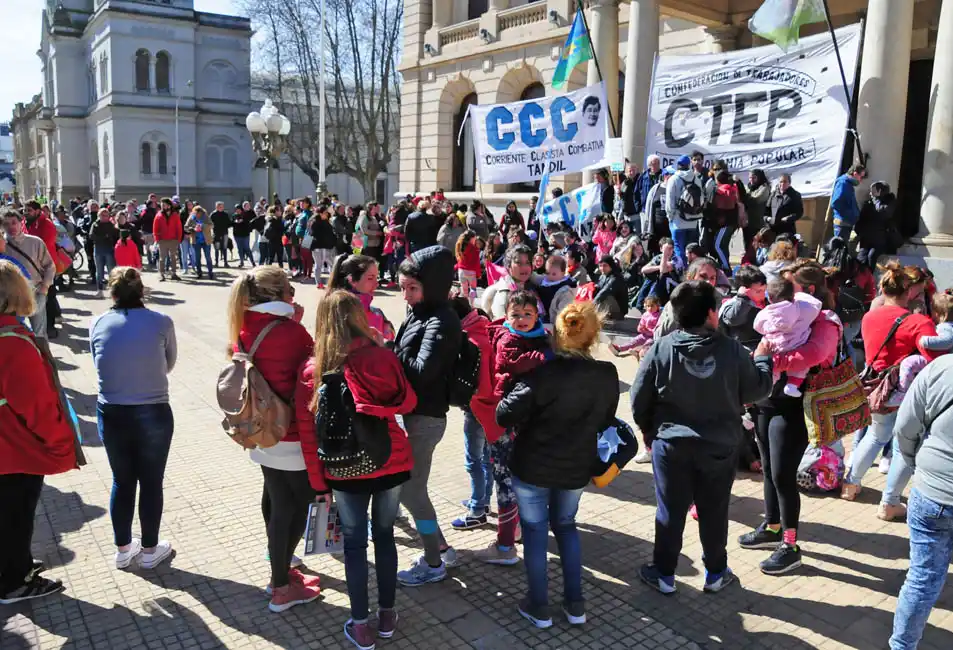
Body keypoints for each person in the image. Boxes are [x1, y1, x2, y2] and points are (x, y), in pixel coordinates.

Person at [632, 280, 773, 594]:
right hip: (719, 446)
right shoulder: (732, 350)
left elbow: (638, 398)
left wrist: (649, 433)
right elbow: (759, 389)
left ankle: (665, 574)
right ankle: (715, 572)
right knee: (714, 510)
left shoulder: (662, 347)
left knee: (670, 510)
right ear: (711, 313)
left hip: (671, 444)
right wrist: (763, 358)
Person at [295, 291, 417, 648]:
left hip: (344, 468)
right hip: (391, 460)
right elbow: (408, 400)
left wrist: (318, 484)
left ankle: (360, 622)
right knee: (384, 537)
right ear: (359, 317)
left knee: (353, 544)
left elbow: (307, 433)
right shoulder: (381, 357)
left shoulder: (313, 370)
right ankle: (388, 614)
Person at [496, 302, 618, 628]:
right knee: (566, 526)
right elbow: (606, 419)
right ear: (593, 335)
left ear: (557, 332)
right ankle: (575, 605)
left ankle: (539, 606)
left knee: (536, 532)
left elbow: (504, 413)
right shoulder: (607, 375)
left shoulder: (541, 374)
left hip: (532, 465)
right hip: (576, 466)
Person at [737, 261, 841, 575]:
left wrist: (770, 358)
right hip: (766, 402)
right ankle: (771, 526)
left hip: (793, 406)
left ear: (807, 290)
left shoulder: (825, 320)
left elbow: (815, 354)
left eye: (789, 287)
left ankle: (791, 545)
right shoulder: (786, 312)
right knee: (769, 469)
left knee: (783, 475)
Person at [226, 266, 317, 612]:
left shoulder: (246, 324)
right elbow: (311, 370)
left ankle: (280, 573)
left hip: (262, 431)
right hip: (290, 434)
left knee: (276, 499)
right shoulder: (290, 332)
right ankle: (281, 586)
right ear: (281, 294)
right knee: (293, 507)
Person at [0, 260, 78, 604]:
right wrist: (61, 444)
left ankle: (12, 566)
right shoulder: (14, 343)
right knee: (16, 516)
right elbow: (38, 409)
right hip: (15, 449)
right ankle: (15, 581)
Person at [89, 267, 177, 570]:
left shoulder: (98, 323)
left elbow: (98, 362)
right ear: (142, 291)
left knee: (121, 481)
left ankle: (123, 549)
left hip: (112, 411)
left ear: (112, 293)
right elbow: (169, 363)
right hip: (152, 409)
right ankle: (151, 549)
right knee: (151, 482)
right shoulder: (161, 322)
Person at [841, 262, 941, 520]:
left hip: (877, 388)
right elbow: (934, 361)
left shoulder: (870, 315)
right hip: (908, 392)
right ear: (910, 291)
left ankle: (851, 484)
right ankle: (890, 501)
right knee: (903, 447)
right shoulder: (919, 322)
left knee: (874, 436)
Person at [393, 246, 463, 585]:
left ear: (431, 286)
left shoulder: (442, 320)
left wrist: (386, 353)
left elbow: (422, 371)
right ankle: (442, 548)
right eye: (402, 287)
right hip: (412, 414)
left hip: (426, 418)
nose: (405, 295)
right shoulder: (419, 311)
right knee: (412, 490)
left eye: (412, 288)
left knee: (410, 492)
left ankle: (434, 563)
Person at [890, 353, 953, 649]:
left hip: (932, 493)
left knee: (922, 579)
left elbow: (904, 429)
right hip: (934, 490)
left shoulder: (941, 368)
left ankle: (902, 647)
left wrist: (918, 467)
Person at [753, 278, 823, 398]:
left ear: (769, 298)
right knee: (800, 366)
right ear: (793, 295)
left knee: (772, 367)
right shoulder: (804, 309)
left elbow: (758, 327)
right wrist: (801, 296)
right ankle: (792, 384)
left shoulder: (765, 313)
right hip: (796, 344)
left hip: (774, 346)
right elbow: (816, 305)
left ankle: (768, 387)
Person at [2, 210, 55, 339]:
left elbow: (50, 266)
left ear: (21, 223)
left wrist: (45, 287)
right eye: (6, 224)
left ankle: (43, 357)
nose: (11, 227)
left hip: (36, 291)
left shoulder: (35, 242)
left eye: (14, 223)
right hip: (11, 297)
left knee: (39, 331)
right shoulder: (2, 245)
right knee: (15, 331)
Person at [327, 254, 394, 342]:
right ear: (351, 280)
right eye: (370, 278)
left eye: (376, 278)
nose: (376, 284)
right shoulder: (339, 315)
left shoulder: (378, 314)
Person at [654, 257, 722, 340]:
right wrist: (679, 308)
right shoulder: (675, 303)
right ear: (690, 278)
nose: (709, 282)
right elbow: (659, 336)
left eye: (712, 278)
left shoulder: (718, 302)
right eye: (703, 276)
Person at [666, 155, 705, 266]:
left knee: (679, 248)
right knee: (692, 249)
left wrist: (670, 217)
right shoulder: (696, 179)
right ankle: (693, 270)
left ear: (678, 165)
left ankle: (682, 271)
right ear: (689, 165)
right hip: (693, 220)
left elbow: (670, 201)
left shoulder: (673, 179)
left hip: (678, 221)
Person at [718, 265, 767, 352]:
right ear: (744, 290)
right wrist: (743, 299)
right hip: (742, 347)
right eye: (758, 291)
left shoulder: (766, 303)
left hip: (763, 343)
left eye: (764, 290)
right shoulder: (734, 304)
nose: (763, 294)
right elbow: (733, 320)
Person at [483, 244, 535, 321]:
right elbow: (504, 326)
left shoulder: (534, 284)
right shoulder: (503, 294)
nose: (524, 267)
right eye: (518, 263)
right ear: (508, 266)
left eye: (527, 263)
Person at [856, 181, 899, 269]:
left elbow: (883, 213)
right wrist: (859, 230)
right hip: (866, 237)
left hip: (879, 238)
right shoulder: (869, 203)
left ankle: (869, 279)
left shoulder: (889, 202)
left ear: (880, 191)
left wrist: (875, 200)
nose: (871, 193)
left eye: (874, 191)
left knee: (872, 257)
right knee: (861, 259)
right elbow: (862, 218)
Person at [532, 255, 575, 326]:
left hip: (554, 321)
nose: (550, 276)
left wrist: (558, 324)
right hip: (542, 316)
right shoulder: (546, 280)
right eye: (548, 273)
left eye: (554, 274)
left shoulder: (566, 290)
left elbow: (564, 311)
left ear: (563, 272)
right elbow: (535, 278)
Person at [831, 164, 866, 240]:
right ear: (855, 174)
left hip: (846, 222)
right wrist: (850, 215)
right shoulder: (843, 183)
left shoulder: (848, 184)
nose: (861, 180)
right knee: (839, 249)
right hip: (842, 222)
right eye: (861, 177)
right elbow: (836, 202)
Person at [89, 208, 119, 296]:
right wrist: (103, 237)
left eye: (106, 215)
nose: (104, 217)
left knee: (111, 270)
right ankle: (100, 290)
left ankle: (112, 289)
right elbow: (91, 236)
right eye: (102, 215)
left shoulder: (111, 225)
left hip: (109, 249)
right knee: (99, 271)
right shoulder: (95, 225)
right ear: (99, 215)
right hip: (98, 250)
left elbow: (116, 234)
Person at [154, 199, 182, 282]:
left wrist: (178, 239)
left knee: (173, 257)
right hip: (162, 240)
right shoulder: (158, 215)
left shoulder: (175, 215)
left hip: (173, 240)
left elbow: (179, 228)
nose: (162, 206)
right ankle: (162, 274)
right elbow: (155, 228)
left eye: (164, 205)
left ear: (169, 205)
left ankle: (174, 273)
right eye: (162, 205)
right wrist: (157, 239)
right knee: (162, 258)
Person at [744, 170, 771, 255]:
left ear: (759, 177)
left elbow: (756, 200)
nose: (751, 180)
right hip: (748, 222)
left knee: (757, 246)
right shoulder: (749, 187)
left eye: (754, 178)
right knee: (747, 245)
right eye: (750, 178)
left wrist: (745, 196)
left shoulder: (764, 187)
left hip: (758, 223)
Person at [593, 255, 628, 320]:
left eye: (605, 265)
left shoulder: (616, 277)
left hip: (618, 312)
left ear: (611, 266)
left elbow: (605, 291)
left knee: (606, 295)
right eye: (600, 266)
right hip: (609, 307)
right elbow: (597, 288)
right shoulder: (603, 276)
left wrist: (591, 305)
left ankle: (597, 315)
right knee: (592, 290)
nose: (602, 268)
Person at [310, 209, 338, 288]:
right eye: (325, 213)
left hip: (327, 247)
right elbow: (312, 233)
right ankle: (318, 283)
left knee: (332, 264)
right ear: (320, 213)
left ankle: (331, 282)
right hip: (318, 247)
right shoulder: (315, 222)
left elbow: (331, 233)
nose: (327, 214)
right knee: (318, 264)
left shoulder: (327, 222)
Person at [185, 206, 214, 279]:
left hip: (206, 240)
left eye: (198, 213)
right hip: (196, 241)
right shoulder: (191, 217)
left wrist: (203, 226)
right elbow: (186, 227)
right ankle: (199, 273)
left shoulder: (205, 217)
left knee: (208, 257)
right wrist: (193, 228)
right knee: (197, 258)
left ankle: (210, 272)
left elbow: (211, 225)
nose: (197, 215)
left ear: (201, 212)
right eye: (195, 213)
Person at [454, 230, 482, 306]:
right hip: (471, 272)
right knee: (473, 289)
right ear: (471, 238)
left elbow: (459, 260)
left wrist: (455, 268)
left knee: (464, 290)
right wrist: (478, 274)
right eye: (474, 238)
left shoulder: (459, 245)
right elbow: (477, 264)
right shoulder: (474, 249)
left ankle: (465, 305)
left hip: (461, 271)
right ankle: (471, 305)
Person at [233, 202, 257, 267]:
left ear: (241, 209)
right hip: (237, 235)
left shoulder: (245, 215)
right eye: (236, 209)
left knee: (247, 248)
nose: (238, 210)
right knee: (239, 249)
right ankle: (241, 262)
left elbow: (248, 222)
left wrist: (242, 221)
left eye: (239, 209)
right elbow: (231, 223)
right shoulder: (234, 215)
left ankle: (253, 262)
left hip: (245, 234)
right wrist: (235, 222)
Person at [210, 201, 232, 268]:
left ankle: (225, 262)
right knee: (217, 249)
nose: (221, 208)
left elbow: (229, 223)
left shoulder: (225, 214)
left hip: (225, 233)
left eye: (222, 206)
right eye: (219, 206)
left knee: (225, 248)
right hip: (216, 234)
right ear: (216, 207)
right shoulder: (213, 214)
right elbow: (210, 224)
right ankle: (216, 262)